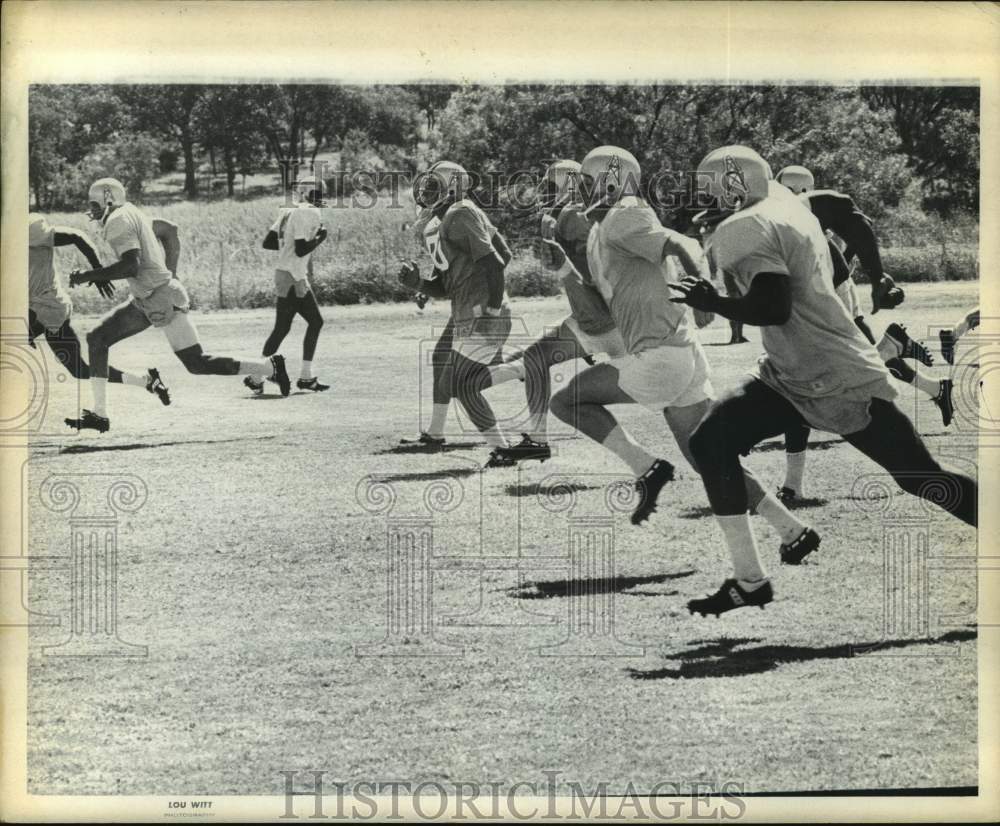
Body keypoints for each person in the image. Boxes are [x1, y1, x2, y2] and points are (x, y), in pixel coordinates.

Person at [671, 146, 977, 617]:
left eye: (712, 188)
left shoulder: (746, 227)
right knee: (710, 442)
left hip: (830, 375)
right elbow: (838, 249)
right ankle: (749, 581)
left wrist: (717, 302)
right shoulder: (784, 204)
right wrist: (874, 277)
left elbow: (774, 307)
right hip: (793, 371)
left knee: (920, 477)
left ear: (735, 186)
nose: (706, 199)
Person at [545, 146, 820, 563]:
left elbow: (681, 242)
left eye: (585, 182)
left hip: (661, 355)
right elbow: (599, 314)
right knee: (708, 459)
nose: (578, 192)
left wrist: (703, 295)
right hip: (675, 354)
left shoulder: (625, 214)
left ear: (611, 181)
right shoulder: (603, 230)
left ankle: (646, 468)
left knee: (567, 400)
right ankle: (791, 530)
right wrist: (565, 270)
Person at [65, 177, 289, 433]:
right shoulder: (129, 211)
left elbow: (131, 265)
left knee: (197, 363)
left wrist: (88, 275)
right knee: (97, 339)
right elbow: (169, 229)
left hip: (159, 298)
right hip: (149, 297)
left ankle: (268, 367)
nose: (91, 210)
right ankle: (100, 413)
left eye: (95, 203)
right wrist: (170, 271)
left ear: (108, 198)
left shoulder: (117, 220)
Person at [484, 159, 627, 464]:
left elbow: (590, 268)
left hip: (601, 317)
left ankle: (535, 435)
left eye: (550, 185)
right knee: (536, 357)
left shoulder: (572, 215)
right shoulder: (567, 214)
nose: (543, 191)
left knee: (659, 390)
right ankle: (536, 439)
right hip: (594, 317)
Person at [397, 161, 517, 467]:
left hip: (480, 310)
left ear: (452, 188)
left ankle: (523, 372)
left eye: (434, 185)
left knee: (464, 384)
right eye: (426, 185)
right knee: (443, 359)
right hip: (465, 308)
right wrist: (418, 284)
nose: (425, 190)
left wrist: (491, 306)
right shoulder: (439, 222)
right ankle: (436, 432)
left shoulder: (460, 212)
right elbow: (444, 286)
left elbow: (496, 262)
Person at [28, 212, 169, 403]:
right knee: (80, 371)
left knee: (80, 369)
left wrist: (95, 272)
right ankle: (146, 382)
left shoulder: (28, 229)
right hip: (29, 308)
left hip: (49, 308)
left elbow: (76, 237)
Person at [247, 175, 330, 395]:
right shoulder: (308, 212)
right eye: (319, 192)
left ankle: (301, 377)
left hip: (287, 273)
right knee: (304, 324)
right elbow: (302, 248)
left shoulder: (289, 210)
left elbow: (269, 242)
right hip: (293, 275)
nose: (322, 196)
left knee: (299, 325)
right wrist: (321, 238)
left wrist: (287, 251)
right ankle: (264, 376)